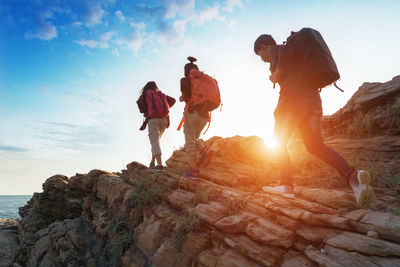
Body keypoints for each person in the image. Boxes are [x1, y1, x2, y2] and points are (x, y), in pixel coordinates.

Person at [254, 32, 374, 207]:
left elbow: (285, 57)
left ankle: (286, 185)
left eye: (260, 55)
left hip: (291, 103)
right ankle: (354, 179)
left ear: (265, 47)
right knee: (315, 146)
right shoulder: (295, 52)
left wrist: (276, 75)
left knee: (278, 143)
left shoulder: (277, 50)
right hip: (312, 102)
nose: (262, 59)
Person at [179, 57, 213, 179]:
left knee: (190, 143)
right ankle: (204, 150)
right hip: (205, 116)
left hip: (192, 113)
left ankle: (194, 172)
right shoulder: (203, 80)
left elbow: (186, 95)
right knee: (195, 138)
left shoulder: (186, 80)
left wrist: (182, 98)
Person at [137, 81, 175, 170]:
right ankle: (152, 162)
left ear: (146, 87)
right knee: (156, 142)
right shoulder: (161, 94)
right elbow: (173, 100)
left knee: (154, 142)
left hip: (152, 119)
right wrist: (164, 109)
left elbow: (139, 105)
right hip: (164, 120)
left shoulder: (146, 94)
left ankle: (159, 165)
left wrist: (146, 110)